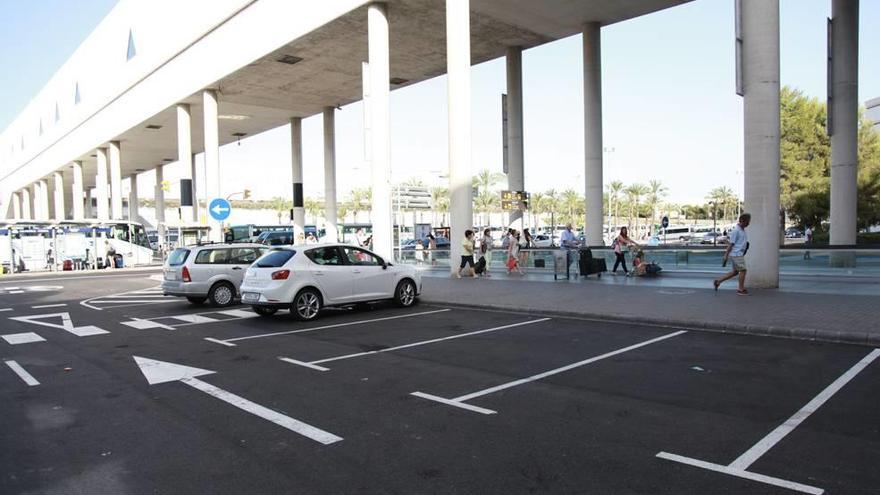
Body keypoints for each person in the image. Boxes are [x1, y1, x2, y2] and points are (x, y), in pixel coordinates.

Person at [714, 213, 751, 295]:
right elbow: (731, 244)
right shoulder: (736, 231)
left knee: (735, 272)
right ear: (742, 221)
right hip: (736, 254)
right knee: (743, 270)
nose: (748, 223)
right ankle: (740, 289)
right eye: (747, 222)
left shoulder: (742, 230)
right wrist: (726, 255)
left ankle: (718, 281)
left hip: (738, 253)